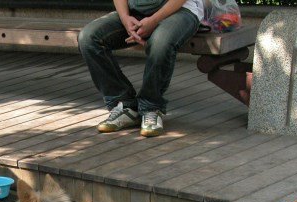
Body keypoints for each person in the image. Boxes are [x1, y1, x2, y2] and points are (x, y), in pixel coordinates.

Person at [78, 0, 203, 137]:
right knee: (88, 38)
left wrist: (154, 20)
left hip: (179, 11)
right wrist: (125, 18)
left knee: (160, 43)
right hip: (135, 12)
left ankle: (151, 107)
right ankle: (125, 105)